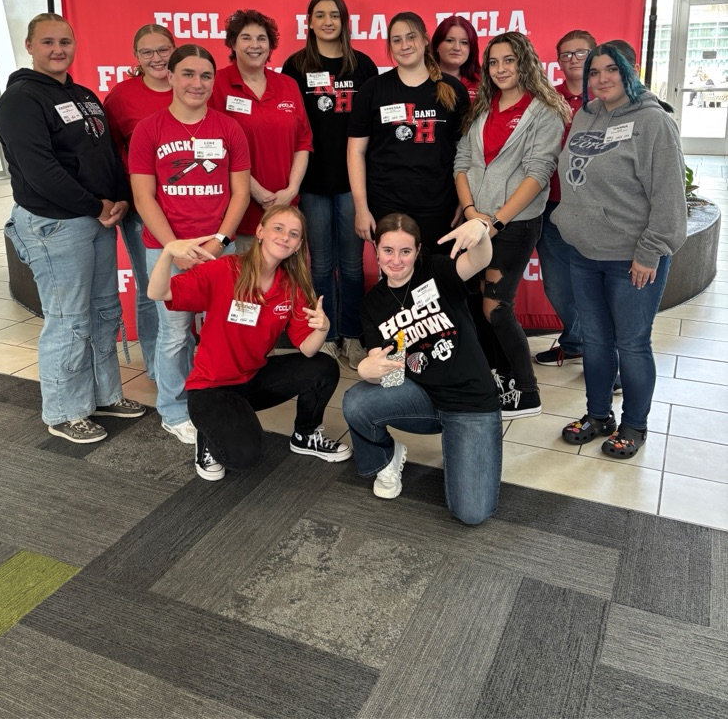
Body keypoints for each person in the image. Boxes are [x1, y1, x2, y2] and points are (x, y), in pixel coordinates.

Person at [0, 13, 146, 443]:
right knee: (68, 319)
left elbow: (107, 156)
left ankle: (103, 395)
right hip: (55, 225)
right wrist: (94, 205)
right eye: (48, 42)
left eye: (65, 41)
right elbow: (40, 170)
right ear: (29, 46)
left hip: (95, 220)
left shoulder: (82, 95)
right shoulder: (21, 99)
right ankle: (63, 412)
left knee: (102, 313)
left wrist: (118, 199)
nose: (58, 49)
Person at [147, 205, 351, 480]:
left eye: (293, 234)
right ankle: (208, 436)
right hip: (212, 387)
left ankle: (306, 436)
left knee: (323, 367)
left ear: (298, 245)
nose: (285, 237)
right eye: (278, 228)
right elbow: (157, 291)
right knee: (244, 457)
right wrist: (169, 251)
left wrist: (322, 329)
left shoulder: (292, 285)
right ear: (260, 231)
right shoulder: (225, 270)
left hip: (253, 379)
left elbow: (307, 349)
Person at [554, 44, 687, 458]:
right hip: (583, 254)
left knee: (631, 343)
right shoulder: (585, 115)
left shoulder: (653, 121)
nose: (602, 78)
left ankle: (635, 424)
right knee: (594, 340)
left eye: (612, 69)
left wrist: (650, 252)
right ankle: (598, 415)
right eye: (594, 72)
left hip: (632, 259)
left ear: (631, 71)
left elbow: (669, 199)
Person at [342, 213, 501, 525]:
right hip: (421, 398)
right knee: (356, 400)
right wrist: (366, 369)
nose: (396, 260)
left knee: (471, 513)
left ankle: (465, 445)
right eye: (388, 250)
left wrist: (482, 231)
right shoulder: (372, 303)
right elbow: (383, 367)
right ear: (376, 250)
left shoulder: (437, 270)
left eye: (405, 251)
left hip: (470, 403)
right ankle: (387, 457)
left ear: (418, 251)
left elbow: (480, 260)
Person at [129, 45, 251, 444]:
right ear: (170, 76)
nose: (196, 83)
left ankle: (218, 400)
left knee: (222, 329)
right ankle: (174, 408)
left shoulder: (229, 128)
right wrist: (173, 246)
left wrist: (220, 241)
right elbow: (144, 196)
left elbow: (240, 193)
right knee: (176, 333)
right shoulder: (149, 129)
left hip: (219, 249)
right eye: (187, 74)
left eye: (204, 76)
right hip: (168, 248)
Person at [454, 31, 569, 419]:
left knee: (496, 309)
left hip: (514, 226)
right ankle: (499, 376)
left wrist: (496, 222)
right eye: (494, 62)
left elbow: (538, 174)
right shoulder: (483, 108)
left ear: (525, 63)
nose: (501, 69)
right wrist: (471, 213)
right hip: (476, 225)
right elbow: (462, 163)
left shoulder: (544, 111)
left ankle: (527, 391)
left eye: (509, 60)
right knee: (474, 304)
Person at [282, 0, 379, 370]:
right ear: (308, 22)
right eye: (319, 15)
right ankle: (327, 334)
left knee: (353, 265)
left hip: (353, 184)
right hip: (312, 182)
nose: (327, 22)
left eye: (334, 15)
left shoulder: (363, 65)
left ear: (344, 21)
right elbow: (290, 125)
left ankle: (352, 335)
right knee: (320, 265)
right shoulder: (296, 66)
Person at [347, 11, 470, 253]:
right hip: (387, 205)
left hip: (439, 206)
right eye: (396, 40)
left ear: (425, 40)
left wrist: (464, 202)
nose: (404, 45)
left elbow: (465, 153)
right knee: (396, 275)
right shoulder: (373, 90)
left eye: (410, 37)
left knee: (436, 281)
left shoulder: (453, 89)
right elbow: (355, 151)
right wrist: (361, 208)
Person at [103, 24, 176, 381]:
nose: (156, 58)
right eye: (147, 52)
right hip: (143, 211)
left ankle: (190, 364)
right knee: (152, 289)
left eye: (163, 50)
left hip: (194, 208)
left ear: (174, 50)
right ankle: (157, 367)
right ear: (136, 57)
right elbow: (112, 152)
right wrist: (123, 196)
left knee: (195, 288)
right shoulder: (122, 97)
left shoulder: (191, 85)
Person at [210, 9, 313, 253]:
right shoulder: (216, 84)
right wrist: (254, 191)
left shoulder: (288, 85)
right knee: (243, 288)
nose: (254, 45)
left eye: (262, 38)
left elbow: (303, 141)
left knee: (286, 287)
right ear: (233, 44)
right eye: (246, 38)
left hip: (286, 212)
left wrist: (292, 190)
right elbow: (216, 148)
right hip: (240, 216)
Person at [534, 29, 596, 366]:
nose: (573, 60)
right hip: (551, 204)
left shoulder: (606, 98)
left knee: (596, 285)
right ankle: (575, 341)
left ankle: (601, 354)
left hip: (595, 207)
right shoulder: (548, 100)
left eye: (581, 53)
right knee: (557, 285)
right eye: (566, 55)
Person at [431, 14, 481, 101]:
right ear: (436, 46)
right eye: (450, 40)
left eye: (464, 42)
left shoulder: (483, 83)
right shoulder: (421, 80)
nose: (457, 48)